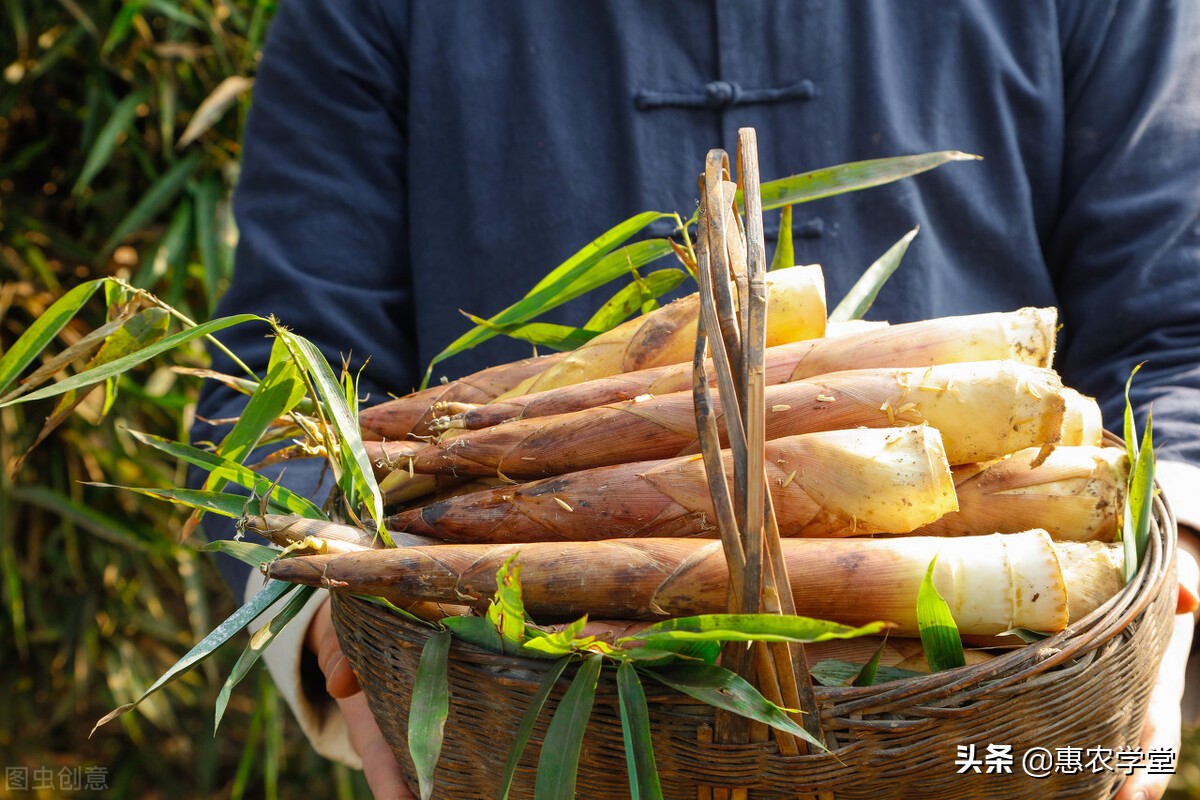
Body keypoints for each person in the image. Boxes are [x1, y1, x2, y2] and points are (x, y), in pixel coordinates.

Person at [195, 2, 1200, 798]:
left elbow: (1179, 331)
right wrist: (341, 621)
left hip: (981, 700)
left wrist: (1172, 587)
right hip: (530, 719)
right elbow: (286, 372)